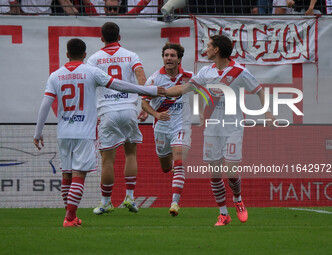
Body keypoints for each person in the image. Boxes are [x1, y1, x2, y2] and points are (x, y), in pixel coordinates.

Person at [33, 38, 164, 227]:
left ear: (67, 54)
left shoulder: (55, 75)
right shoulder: (91, 72)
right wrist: (148, 90)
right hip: (84, 133)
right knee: (79, 175)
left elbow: (45, 104)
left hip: (63, 133)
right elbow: (120, 85)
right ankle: (70, 218)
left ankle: (71, 215)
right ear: (85, 55)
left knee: (66, 176)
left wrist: (38, 133)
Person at [165, 35, 276, 226]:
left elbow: (258, 90)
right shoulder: (206, 72)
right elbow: (187, 87)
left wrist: (267, 112)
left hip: (233, 127)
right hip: (212, 129)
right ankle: (223, 214)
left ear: (216, 50)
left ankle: (238, 199)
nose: (206, 49)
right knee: (215, 174)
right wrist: (163, 92)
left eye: (208, 46)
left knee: (231, 173)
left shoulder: (239, 71)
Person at [87, 22, 148, 215]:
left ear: (102, 38)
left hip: (108, 111)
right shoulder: (131, 55)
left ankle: (106, 203)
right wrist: (144, 103)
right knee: (131, 154)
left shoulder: (94, 59)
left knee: (107, 161)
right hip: (129, 109)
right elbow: (141, 78)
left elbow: (88, 87)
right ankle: (130, 197)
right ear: (119, 37)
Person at [141, 42, 193, 216]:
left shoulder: (189, 77)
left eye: (172, 56)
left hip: (181, 126)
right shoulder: (155, 79)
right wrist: (155, 115)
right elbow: (144, 102)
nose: (169, 59)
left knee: (178, 164)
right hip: (161, 127)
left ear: (179, 59)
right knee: (165, 167)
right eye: (166, 55)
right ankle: (171, 162)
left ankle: (174, 203)